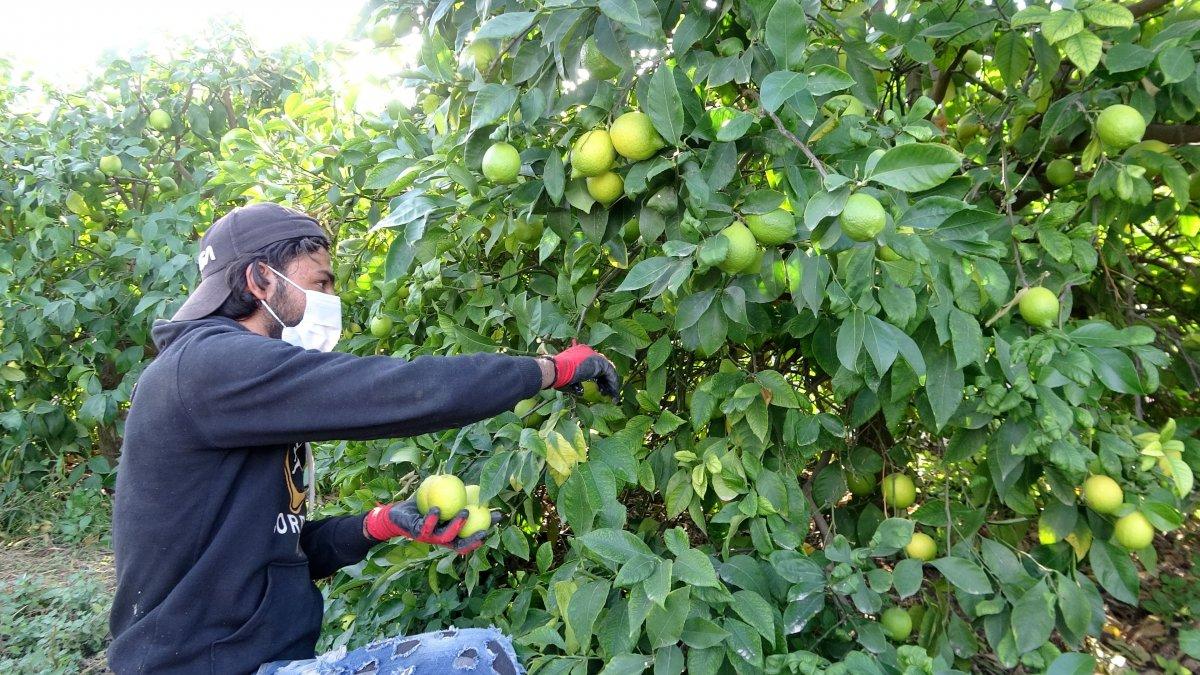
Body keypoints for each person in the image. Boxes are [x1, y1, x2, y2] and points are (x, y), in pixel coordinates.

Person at [108, 203, 621, 674]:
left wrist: (379, 525)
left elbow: (269, 552)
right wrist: (549, 371)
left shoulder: (240, 391)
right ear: (261, 279)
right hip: (203, 666)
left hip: (256, 661)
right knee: (477, 661)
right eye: (321, 282)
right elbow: (399, 392)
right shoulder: (207, 367)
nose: (333, 300)